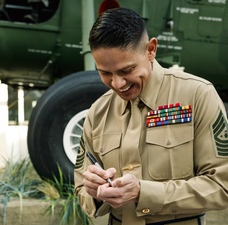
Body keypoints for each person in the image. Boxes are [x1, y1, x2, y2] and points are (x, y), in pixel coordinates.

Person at [74, 7, 228, 225]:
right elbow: (80, 189)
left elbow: (222, 186)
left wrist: (143, 192)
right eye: (105, 73)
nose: (117, 84)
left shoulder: (197, 96)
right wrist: (94, 192)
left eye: (126, 70)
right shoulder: (97, 112)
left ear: (151, 50)